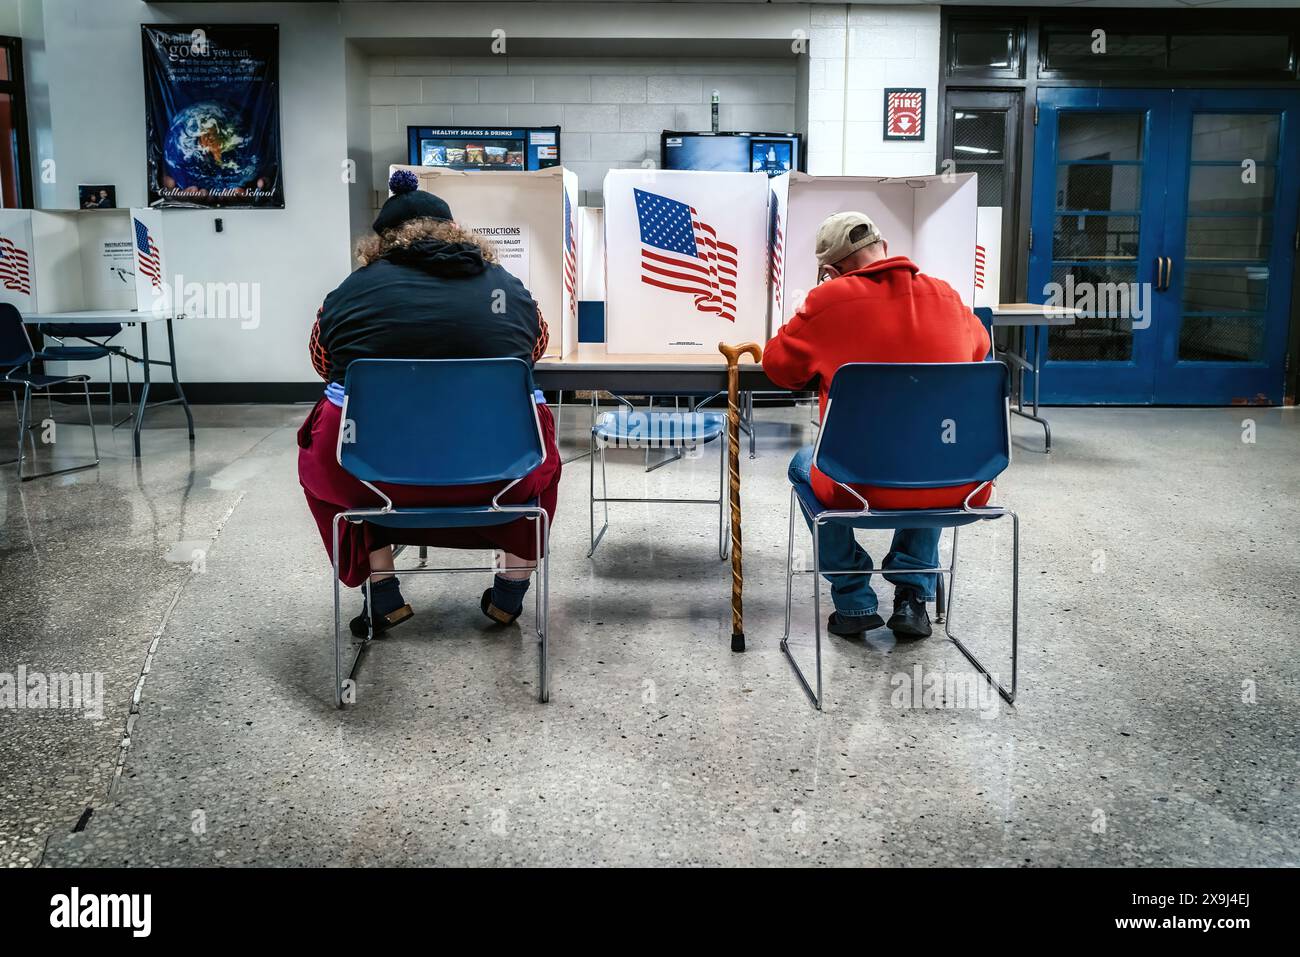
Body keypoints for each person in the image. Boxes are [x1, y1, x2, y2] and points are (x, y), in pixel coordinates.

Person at [298, 169, 560, 637]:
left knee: (330, 444)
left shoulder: (348, 293)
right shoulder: (508, 290)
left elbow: (323, 362)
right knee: (543, 458)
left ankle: (382, 591)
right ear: (455, 230)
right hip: (500, 475)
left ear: (380, 243)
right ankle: (509, 592)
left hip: (371, 477)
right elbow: (535, 349)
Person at [762, 211, 990, 641]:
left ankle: (853, 599)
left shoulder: (828, 301)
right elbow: (980, 350)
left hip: (856, 486)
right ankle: (912, 596)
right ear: (884, 247)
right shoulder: (948, 297)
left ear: (830, 272)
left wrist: (813, 318)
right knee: (930, 457)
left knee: (802, 463)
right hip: (959, 484)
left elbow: (778, 367)